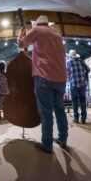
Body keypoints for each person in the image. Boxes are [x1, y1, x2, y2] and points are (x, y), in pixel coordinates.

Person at [18, 15, 68, 154]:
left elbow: (21, 44)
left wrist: (20, 33)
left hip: (44, 76)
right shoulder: (57, 35)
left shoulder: (37, 30)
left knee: (46, 112)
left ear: (37, 24)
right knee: (60, 110)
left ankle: (47, 145)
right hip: (61, 78)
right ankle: (63, 139)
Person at [66, 49, 90, 124]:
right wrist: (84, 75)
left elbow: (66, 73)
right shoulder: (81, 61)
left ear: (70, 56)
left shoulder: (68, 62)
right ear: (76, 55)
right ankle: (83, 120)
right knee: (83, 101)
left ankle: (76, 119)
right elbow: (88, 69)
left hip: (74, 84)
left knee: (75, 101)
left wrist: (69, 77)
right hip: (82, 84)